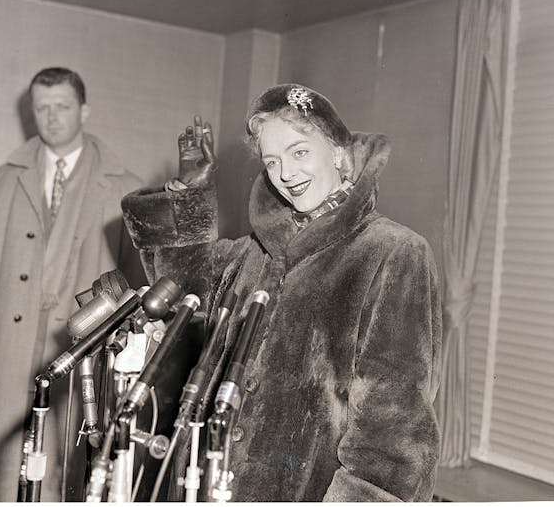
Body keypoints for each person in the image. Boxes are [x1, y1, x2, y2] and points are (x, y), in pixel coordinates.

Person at [121, 83, 442, 501]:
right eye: (272, 161)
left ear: (340, 154)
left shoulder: (394, 253)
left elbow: (393, 434)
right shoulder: (252, 255)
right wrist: (188, 195)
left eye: (300, 152)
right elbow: (180, 287)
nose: (286, 174)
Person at [0, 66, 145, 501]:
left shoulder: (126, 191)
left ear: (84, 110)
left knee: (61, 477)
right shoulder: (0, 183)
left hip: (80, 362)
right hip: (5, 353)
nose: (51, 117)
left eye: (62, 106)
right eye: (42, 107)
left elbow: (138, 288)